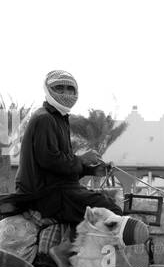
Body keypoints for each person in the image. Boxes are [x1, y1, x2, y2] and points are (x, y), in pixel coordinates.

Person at [15, 69, 122, 227]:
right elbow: (49, 161)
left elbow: (61, 167)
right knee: (112, 211)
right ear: (48, 90)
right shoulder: (45, 119)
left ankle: (68, 242)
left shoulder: (58, 119)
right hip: (45, 194)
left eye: (70, 89)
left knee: (102, 201)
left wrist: (92, 170)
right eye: (59, 88)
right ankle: (66, 248)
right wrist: (82, 159)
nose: (65, 93)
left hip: (57, 189)